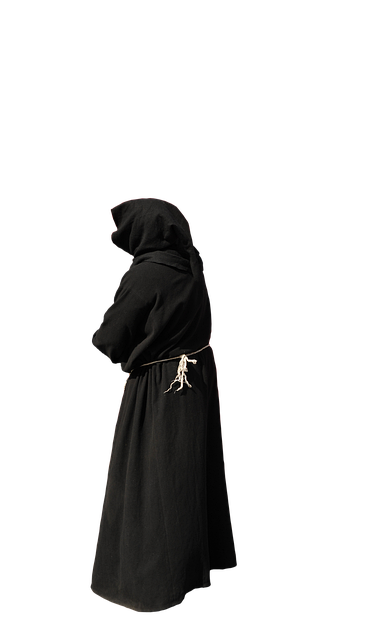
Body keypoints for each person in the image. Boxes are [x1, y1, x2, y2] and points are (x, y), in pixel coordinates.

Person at [89, 197, 236, 613]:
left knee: (150, 483)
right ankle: (192, 571)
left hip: (159, 387)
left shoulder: (145, 274)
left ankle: (152, 584)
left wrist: (129, 356)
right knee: (185, 476)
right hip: (195, 382)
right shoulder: (192, 264)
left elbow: (110, 338)